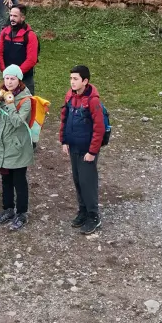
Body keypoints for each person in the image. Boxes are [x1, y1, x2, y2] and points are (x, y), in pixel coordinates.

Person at [0, 65, 35, 231]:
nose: (9, 81)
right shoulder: (2, 94)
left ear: (19, 80)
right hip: (3, 146)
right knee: (6, 179)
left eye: (13, 78)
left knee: (19, 181)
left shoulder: (26, 100)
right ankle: (7, 208)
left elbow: (17, 122)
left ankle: (21, 212)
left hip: (18, 147)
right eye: (7, 78)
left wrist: (9, 103)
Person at [60, 65, 106, 235]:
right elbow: (64, 118)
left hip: (87, 151)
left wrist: (92, 152)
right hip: (74, 147)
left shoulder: (93, 101)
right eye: (71, 78)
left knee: (88, 182)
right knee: (78, 180)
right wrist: (64, 140)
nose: (72, 82)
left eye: (75, 79)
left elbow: (99, 128)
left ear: (85, 81)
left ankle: (94, 215)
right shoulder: (70, 96)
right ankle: (83, 211)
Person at [0, 4, 40, 93]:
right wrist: (6, 72)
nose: (12, 18)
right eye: (11, 15)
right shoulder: (4, 33)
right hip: (8, 78)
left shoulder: (30, 35)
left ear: (22, 18)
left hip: (25, 78)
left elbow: (31, 59)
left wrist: (16, 74)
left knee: (27, 104)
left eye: (15, 16)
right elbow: (0, 53)